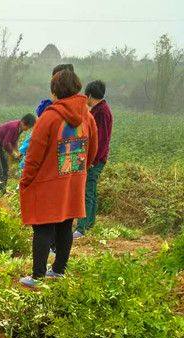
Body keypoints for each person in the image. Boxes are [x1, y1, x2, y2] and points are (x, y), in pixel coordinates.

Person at [19, 69, 98, 288]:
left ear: (55, 90)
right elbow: (92, 151)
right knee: (65, 224)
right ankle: (58, 270)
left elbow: (34, 155)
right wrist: (79, 171)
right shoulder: (87, 117)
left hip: (48, 182)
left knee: (43, 227)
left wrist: (26, 180)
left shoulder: (50, 117)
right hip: (73, 179)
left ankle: (37, 276)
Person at [74, 80, 113, 239]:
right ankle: (90, 223)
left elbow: (101, 140)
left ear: (89, 95)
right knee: (92, 191)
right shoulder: (100, 109)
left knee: (87, 192)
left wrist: (91, 161)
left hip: (96, 160)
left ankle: (81, 228)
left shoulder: (101, 112)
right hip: (97, 158)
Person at [0, 114, 36, 194]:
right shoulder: (14, 127)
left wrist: (17, 151)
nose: (28, 129)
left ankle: (3, 190)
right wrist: (13, 153)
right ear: (24, 123)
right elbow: (6, 143)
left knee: (5, 167)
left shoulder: (20, 128)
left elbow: (14, 141)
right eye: (28, 127)